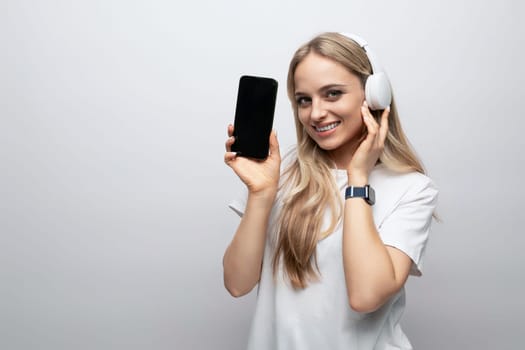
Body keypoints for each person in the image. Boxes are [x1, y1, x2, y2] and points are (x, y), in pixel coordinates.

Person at [222, 32, 438, 350]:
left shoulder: (412, 189)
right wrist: (261, 194)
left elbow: (366, 296)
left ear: (374, 96)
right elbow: (237, 284)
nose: (316, 113)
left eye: (333, 94)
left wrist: (358, 180)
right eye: (304, 100)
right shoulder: (280, 175)